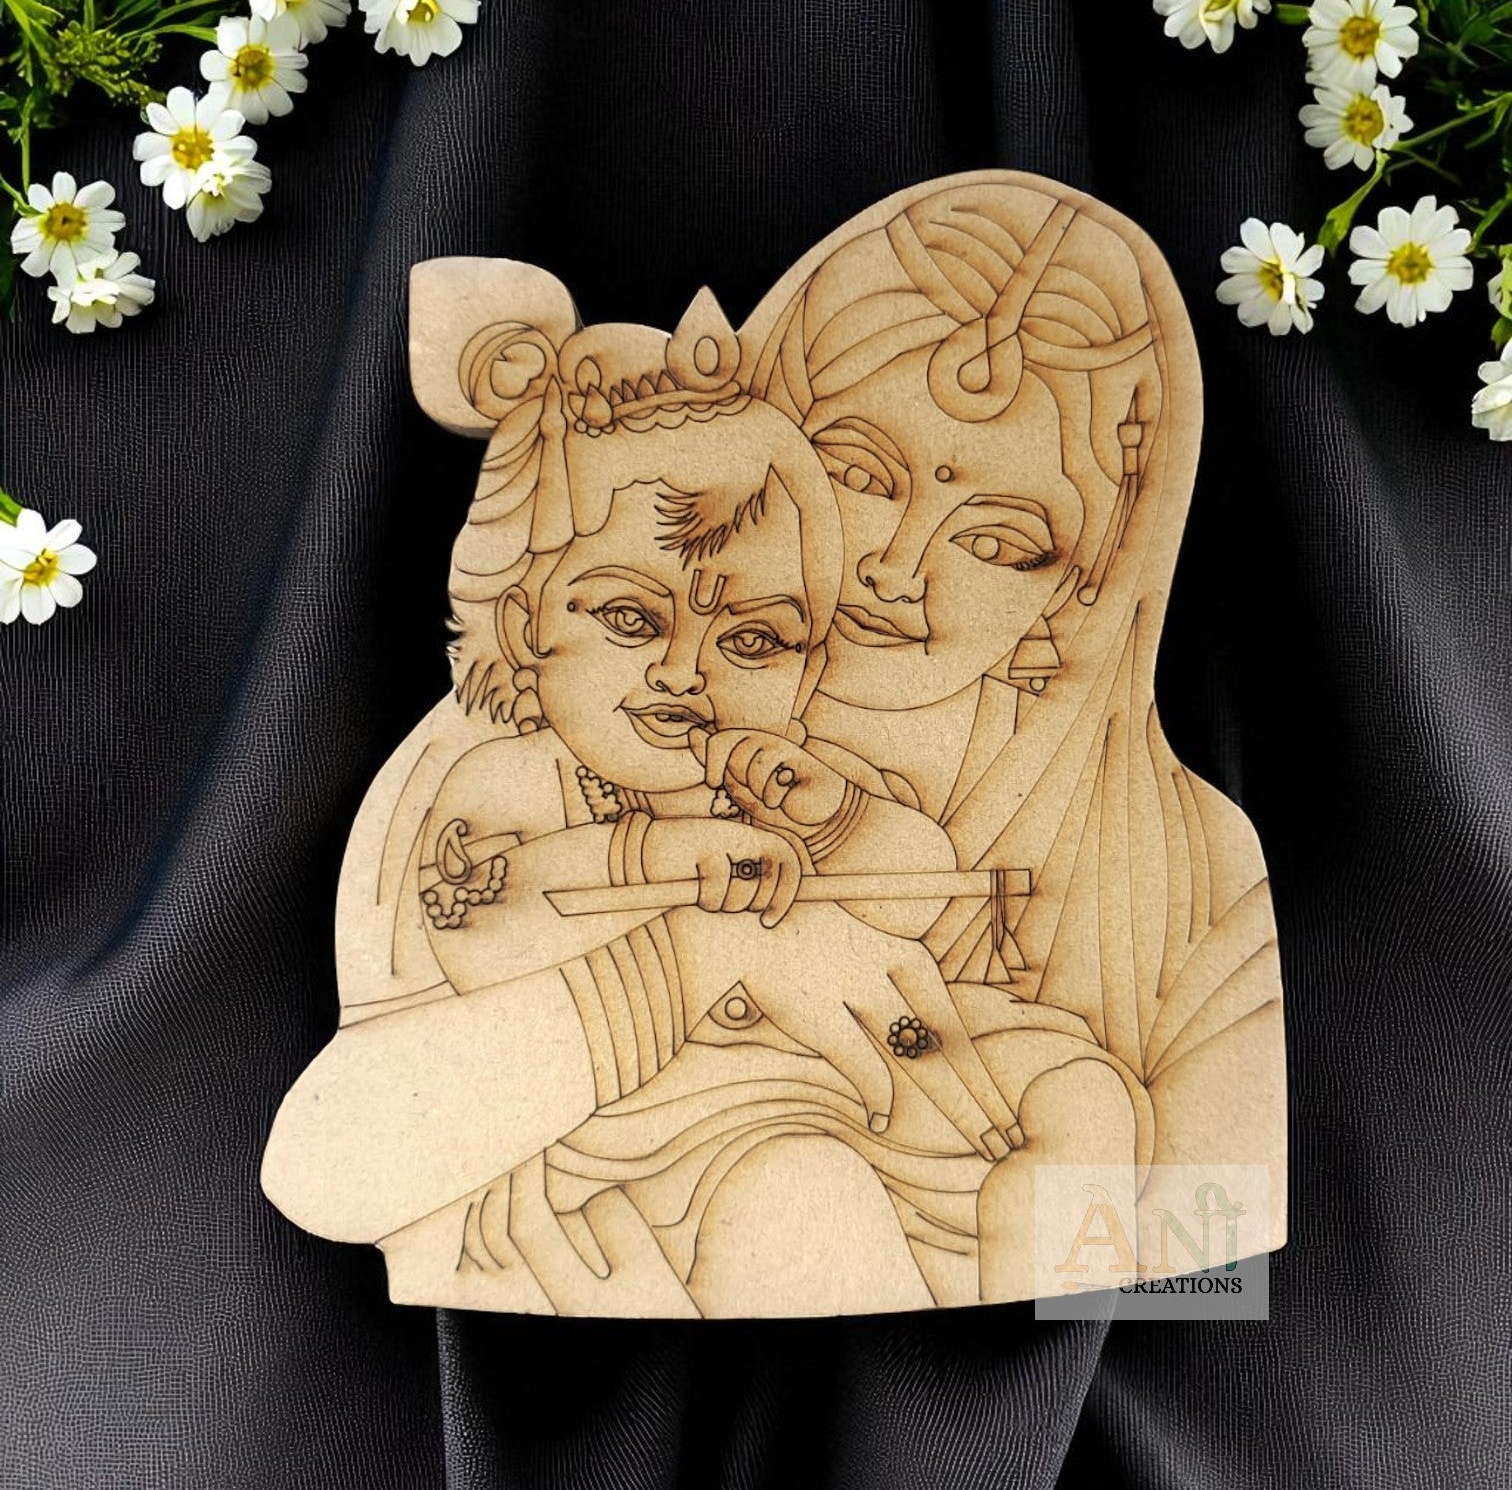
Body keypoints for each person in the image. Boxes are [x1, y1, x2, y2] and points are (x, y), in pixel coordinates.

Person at [262, 273, 1018, 1316]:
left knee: (1055, 1103)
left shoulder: (776, 778)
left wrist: (839, 815)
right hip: (618, 1145)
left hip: (818, 1096)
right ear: (525, 625)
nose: (684, 672)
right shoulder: (508, 776)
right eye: (630, 619)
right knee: (795, 1191)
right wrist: (660, 867)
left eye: (754, 642)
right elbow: (480, 925)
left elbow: (926, 889)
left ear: (810, 669)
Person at [734, 172, 1287, 1299]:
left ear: (1084, 582)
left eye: (996, 541)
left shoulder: (1190, 872)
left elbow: (1191, 1275)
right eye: (859, 476)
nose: (897, 569)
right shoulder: (597, 746)